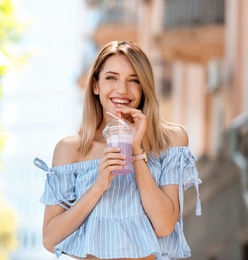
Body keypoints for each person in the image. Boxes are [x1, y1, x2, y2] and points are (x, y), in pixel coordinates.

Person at [33, 41, 201, 260]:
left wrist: (136, 151)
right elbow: (50, 239)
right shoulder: (71, 149)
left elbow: (164, 225)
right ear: (95, 85)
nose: (122, 89)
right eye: (111, 77)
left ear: (144, 87)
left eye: (134, 80)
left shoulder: (171, 141)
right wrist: (98, 185)